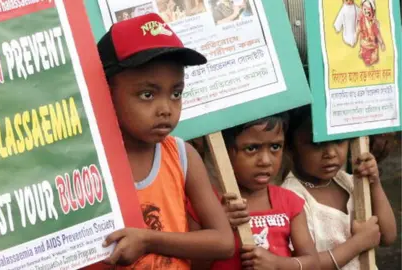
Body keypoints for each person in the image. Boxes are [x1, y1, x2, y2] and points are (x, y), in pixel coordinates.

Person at [96, 13, 234, 269]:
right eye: (147, 94)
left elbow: (224, 242)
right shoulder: (87, 161)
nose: (166, 109)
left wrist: (149, 240)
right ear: (104, 90)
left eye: (176, 93)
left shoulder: (183, 155)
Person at [188, 113, 320, 269]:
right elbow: (192, 266)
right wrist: (219, 226)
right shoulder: (204, 205)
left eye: (275, 147)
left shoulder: (290, 202)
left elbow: (312, 263)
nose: (265, 161)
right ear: (224, 152)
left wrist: (278, 264)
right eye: (251, 148)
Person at [282, 105, 397, 270]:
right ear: (290, 147)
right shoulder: (291, 197)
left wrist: (374, 183)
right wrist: (358, 243)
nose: (330, 153)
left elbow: (388, 236)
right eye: (317, 144)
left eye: (338, 140)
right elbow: (303, 265)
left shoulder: (351, 182)